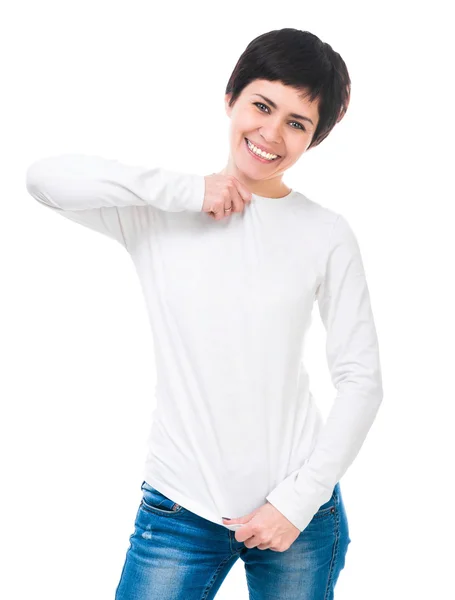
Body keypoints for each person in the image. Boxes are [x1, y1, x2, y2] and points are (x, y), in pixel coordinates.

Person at [25, 27, 383, 600]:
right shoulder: (160, 212)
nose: (271, 134)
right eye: (262, 106)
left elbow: (362, 380)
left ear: (312, 139)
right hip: (179, 507)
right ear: (231, 99)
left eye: (297, 123)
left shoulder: (326, 234)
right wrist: (186, 191)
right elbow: (43, 180)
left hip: (300, 513)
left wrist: (295, 503)